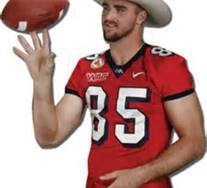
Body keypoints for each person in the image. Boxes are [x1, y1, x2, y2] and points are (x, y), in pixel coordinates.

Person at [13, 0, 205, 187]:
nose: (109, 16)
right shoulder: (87, 67)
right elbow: (49, 136)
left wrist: (138, 176)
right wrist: (41, 81)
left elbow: (194, 141)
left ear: (141, 17)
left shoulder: (166, 65)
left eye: (120, 9)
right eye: (106, 8)